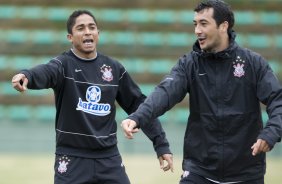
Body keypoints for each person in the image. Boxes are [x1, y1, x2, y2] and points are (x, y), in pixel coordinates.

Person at [121, 0, 282, 183]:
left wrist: (271, 132)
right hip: (200, 171)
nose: (197, 30)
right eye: (195, 24)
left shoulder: (253, 63)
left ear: (223, 26)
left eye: (204, 24)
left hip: (246, 173)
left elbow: (278, 101)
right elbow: (165, 93)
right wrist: (137, 117)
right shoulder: (189, 64)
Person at [11, 10, 173, 184]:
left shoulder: (113, 68)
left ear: (98, 34)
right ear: (70, 37)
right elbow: (46, 71)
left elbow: (139, 104)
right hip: (72, 159)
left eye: (92, 27)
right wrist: (27, 75)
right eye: (80, 28)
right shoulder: (63, 65)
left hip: (109, 158)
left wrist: (160, 143)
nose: (87, 31)